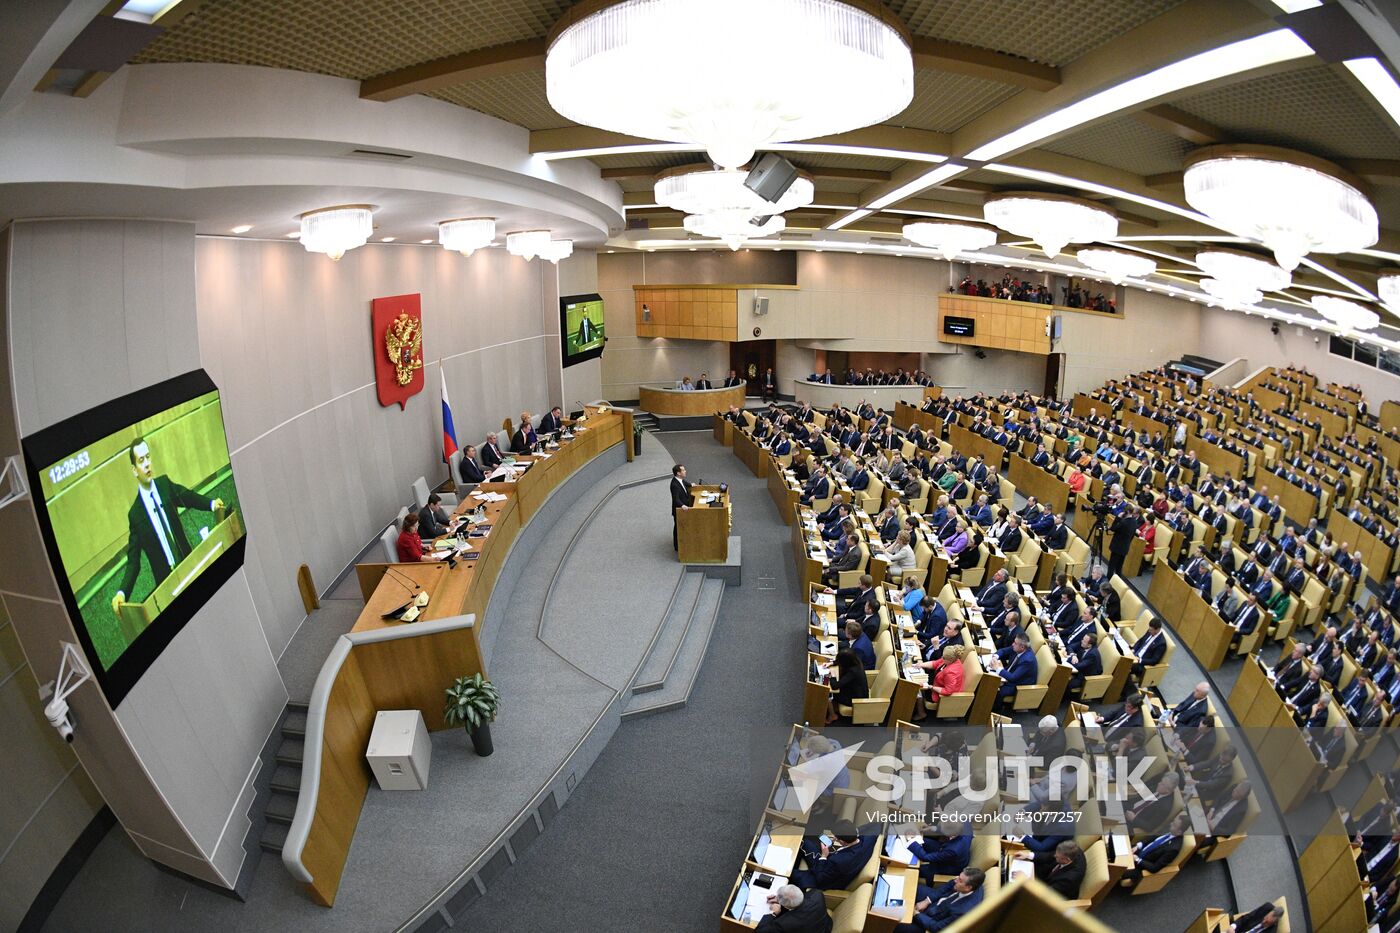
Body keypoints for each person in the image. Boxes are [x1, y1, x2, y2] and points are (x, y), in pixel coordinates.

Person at [112, 435, 227, 615]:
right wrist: (122, 592)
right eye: (141, 460)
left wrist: (211, 504)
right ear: (134, 470)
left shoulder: (164, 485)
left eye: (148, 457)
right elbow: (134, 561)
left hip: (191, 568)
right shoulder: (135, 515)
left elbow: (187, 496)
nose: (147, 464)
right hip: (168, 591)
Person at [791, 821, 877, 890]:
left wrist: (824, 856)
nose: (835, 838)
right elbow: (876, 825)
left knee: (793, 874)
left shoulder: (838, 861)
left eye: (836, 838)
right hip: (832, 864)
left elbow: (821, 879)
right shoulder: (869, 839)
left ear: (842, 842)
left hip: (826, 877)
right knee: (806, 842)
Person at [895, 867, 985, 932]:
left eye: (960, 880)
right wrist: (927, 901)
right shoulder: (973, 883)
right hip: (938, 900)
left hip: (933, 919)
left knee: (896, 925)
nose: (956, 880)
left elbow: (937, 927)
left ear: (968, 888)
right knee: (910, 886)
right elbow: (947, 886)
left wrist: (916, 914)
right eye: (958, 877)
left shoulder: (961, 912)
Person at [1119, 813, 1190, 887]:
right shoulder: (1170, 828)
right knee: (1117, 850)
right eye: (1173, 822)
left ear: (1179, 832)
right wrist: (1138, 846)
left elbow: (1155, 868)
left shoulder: (1173, 849)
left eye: (1174, 825)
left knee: (1117, 870)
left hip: (1141, 865)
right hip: (1138, 850)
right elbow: (1152, 837)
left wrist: (1137, 860)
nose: (1170, 824)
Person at [912, 645, 965, 720]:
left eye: (944, 658)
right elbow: (935, 663)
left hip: (939, 694)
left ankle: (921, 713)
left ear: (950, 659)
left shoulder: (951, 673)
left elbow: (948, 691)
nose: (942, 658)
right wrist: (920, 665)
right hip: (937, 681)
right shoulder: (949, 659)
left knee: (915, 688)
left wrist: (931, 687)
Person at [755, 884, 832, 933]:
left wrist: (773, 913)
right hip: (825, 926)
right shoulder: (817, 894)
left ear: (785, 906)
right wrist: (780, 900)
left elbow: (760, 931)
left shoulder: (785, 923)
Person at [826, 648, 868, 724]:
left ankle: (832, 716)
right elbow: (842, 661)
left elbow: (835, 686)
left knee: (828, 695)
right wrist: (832, 663)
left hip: (854, 698)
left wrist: (832, 676)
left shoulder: (853, 672)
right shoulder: (856, 660)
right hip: (853, 690)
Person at [1107, 504, 1140, 578]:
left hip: (1117, 547)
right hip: (1125, 547)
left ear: (1127, 511)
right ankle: (1118, 583)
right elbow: (1131, 537)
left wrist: (1118, 518)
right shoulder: (1134, 522)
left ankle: (1108, 581)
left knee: (1111, 566)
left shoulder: (1123, 522)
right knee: (1119, 567)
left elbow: (1113, 528)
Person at [670, 464, 692, 550]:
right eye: (683, 470)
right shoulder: (674, 485)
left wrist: (691, 484)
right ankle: (677, 546)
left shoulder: (680, 480)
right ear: (678, 473)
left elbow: (684, 483)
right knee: (678, 527)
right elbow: (676, 499)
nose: (685, 471)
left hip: (684, 508)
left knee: (681, 526)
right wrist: (682, 505)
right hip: (679, 510)